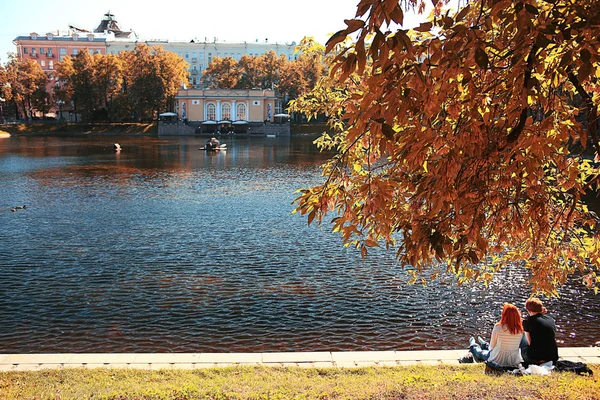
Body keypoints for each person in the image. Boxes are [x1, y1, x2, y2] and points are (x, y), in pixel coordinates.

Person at [522, 297, 559, 365]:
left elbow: (530, 342)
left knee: (523, 341)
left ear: (529, 310)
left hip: (536, 357)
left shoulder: (527, 321)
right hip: (552, 356)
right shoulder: (550, 319)